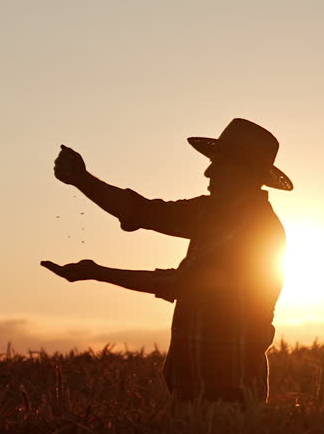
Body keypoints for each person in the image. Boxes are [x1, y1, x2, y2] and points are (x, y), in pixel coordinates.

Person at [41, 118, 290, 403]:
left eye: (219, 164)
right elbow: (143, 211)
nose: (208, 171)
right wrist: (82, 180)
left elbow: (181, 284)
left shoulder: (257, 230)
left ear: (245, 173)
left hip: (230, 395)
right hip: (191, 391)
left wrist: (98, 272)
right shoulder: (208, 213)